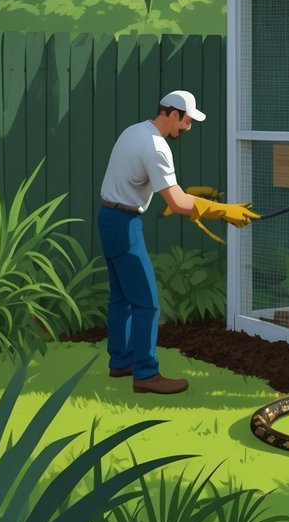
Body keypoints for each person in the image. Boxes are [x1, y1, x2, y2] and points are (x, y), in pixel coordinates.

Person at [98, 90, 259, 394]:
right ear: (172, 114)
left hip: (108, 218)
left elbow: (145, 183)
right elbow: (179, 200)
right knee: (147, 303)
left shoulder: (134, 131)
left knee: (121, 298)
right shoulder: (157, 147)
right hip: (125, 224)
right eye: (186, 121)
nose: (188, 127)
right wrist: (225, 211)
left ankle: (120, 360)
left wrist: (183, 202)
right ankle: (146, 373)